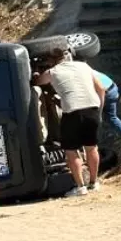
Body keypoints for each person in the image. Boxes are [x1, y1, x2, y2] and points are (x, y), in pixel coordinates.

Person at [33, 50, 107, 197]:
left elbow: (37, 82)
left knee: (71, 152)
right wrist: (99, 110)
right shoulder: (83, 66)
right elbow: (101, 88)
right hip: (92, 110)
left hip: (72, 113)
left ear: (51, 62)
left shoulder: (52, 72)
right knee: (92, 148)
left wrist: (36, 73)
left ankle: (80, 187)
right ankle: (94, 183)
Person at [93, 68, 121, 151]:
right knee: (113, 117)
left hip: (107, 93)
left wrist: (99, 112)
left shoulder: (85, 77)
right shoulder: (86, 69)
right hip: (112, 88)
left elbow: (101, 91)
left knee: (111, 118)